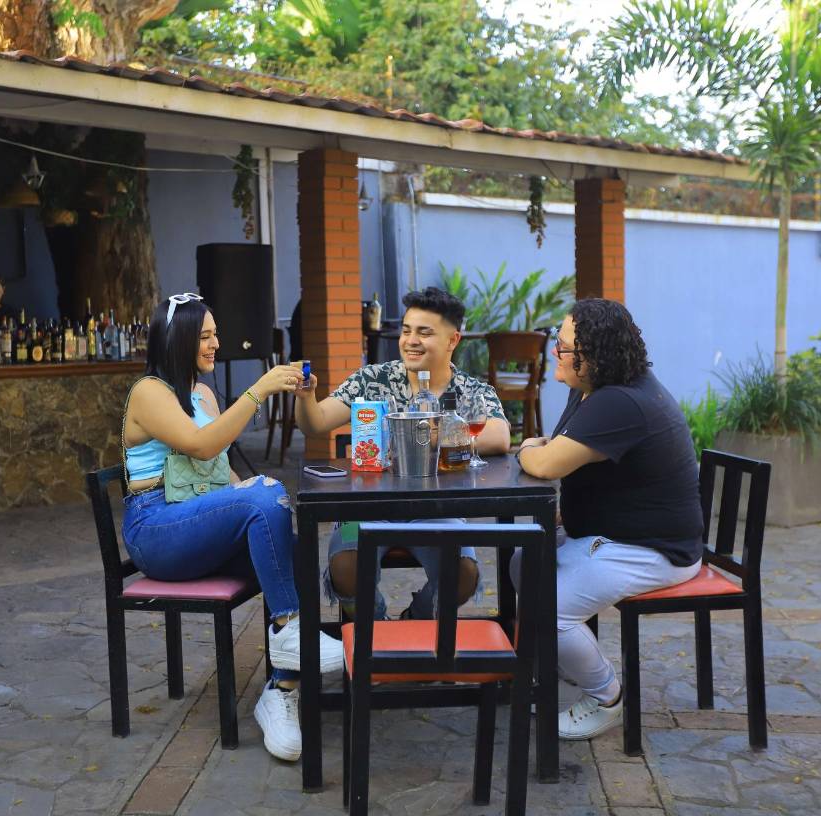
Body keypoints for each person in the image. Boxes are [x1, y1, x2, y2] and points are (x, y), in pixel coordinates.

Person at [120, 292, 345, 762]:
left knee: (288, 538)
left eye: (215, 334)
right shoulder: (149, 392)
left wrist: (256, 495)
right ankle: (290, 631)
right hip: (156, 529)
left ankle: (281, 691)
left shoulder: (201, 393)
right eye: (205, 336)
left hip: (197, 520)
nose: (215, 344)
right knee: (263, 495)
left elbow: (220, 472)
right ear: (177, 340)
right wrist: (258, 390)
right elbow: (202, 447)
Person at [513, 298, 703, 740]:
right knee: (524, 563)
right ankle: (566, 666)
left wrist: (527, 448)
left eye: (562, 348)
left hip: (655, 550)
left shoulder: (620, 401)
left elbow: (545, 462)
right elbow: (558, 445)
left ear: (594, 355)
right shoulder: (596, 389)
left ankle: (605, 697)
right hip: (616, 534)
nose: (553, 354)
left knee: (549, 606)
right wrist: (541, 448)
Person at [293, 286, 511, 620]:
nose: (411, 340)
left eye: (425, 333)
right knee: (345, 564)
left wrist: (422, 432)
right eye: (406, 330)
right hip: (367, 507)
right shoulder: (373, 378)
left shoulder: (471, 390)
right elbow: (316, 423)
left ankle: (420, 620)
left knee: (464, 574)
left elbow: (498, 435)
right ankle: (374, 627)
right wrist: (306, 397)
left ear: (453, 340)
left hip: (440, 510)